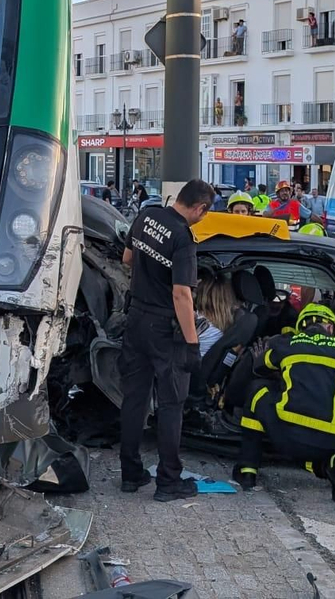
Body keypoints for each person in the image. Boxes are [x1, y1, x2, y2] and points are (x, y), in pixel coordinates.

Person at [120, 178, 216, 502]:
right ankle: (168, 482)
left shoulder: (146, 216)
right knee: (171, 404)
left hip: (135, 320)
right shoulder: (184, 239)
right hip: (164, 329)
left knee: (134, 399)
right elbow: (181, 295)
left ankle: (130, 474)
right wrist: (192, 344)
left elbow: (127, 259)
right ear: (200, 208)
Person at [231, 303, 335, 505]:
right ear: (331, 328)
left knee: (257, 390)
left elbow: (259, 368)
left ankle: (247, 469)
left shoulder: (288, 343)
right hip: (330, 442)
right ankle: (331, 462)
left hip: (285, 438)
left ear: (302, 326)